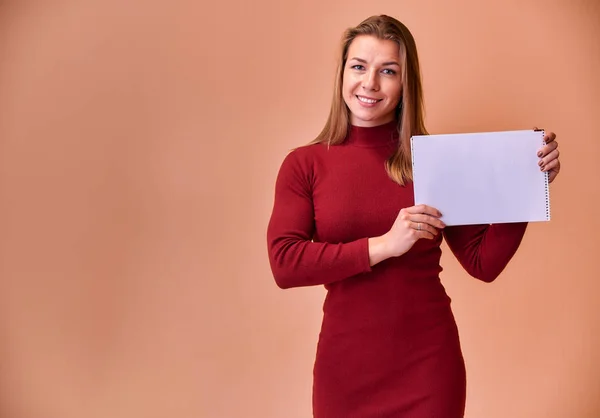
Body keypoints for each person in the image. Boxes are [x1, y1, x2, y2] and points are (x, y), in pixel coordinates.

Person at [266, 14, 561, 418]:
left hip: (428, 367)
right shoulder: (305, 164)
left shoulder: (434, 162)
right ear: (342, 73)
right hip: (345, 370)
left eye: (388, 71)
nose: (369, 84)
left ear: (406, 83)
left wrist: (525, 184)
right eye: (359, 67)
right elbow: (285, 264)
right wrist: (385, 246)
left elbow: (483, 263)